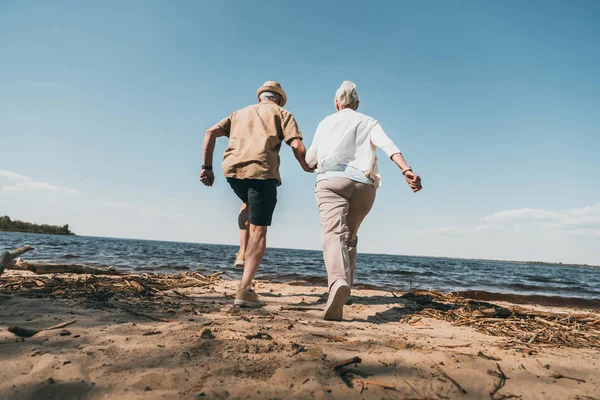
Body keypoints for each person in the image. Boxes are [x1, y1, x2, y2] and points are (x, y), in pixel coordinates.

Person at [305, 81, 422, 321]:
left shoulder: (325, 122)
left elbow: (309, 160)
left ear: (336, 103)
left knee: (332, 232)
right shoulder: (368, 121)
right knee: (350, 235)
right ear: (357, 104)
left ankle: (338, 282)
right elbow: (388, 145)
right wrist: (406, 170)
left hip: (332, 180)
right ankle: (345, 289)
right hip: (364, 185)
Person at [200, 81, 313, 307]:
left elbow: (210, 132)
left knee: (246, 204)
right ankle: (244, 291)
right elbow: (296, 145)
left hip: (232, 171)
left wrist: (207, 167)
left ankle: (242, 252)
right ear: (278, 99)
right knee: (259, 230)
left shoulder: (238, 113)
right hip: (261, 171)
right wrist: (307, 166)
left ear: (261, 97)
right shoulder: (283, 113)